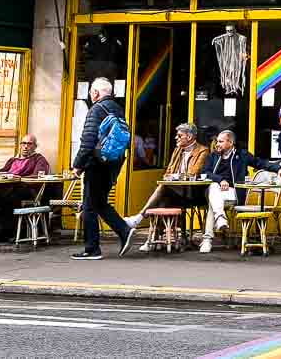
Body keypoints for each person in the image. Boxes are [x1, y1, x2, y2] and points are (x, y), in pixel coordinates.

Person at [71, 78, 134, 260]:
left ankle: (92, 249)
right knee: (98, 203)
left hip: (96, 164)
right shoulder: (117, 109)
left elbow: (88, 141)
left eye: (92, 92)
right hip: (112, 163)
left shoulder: (96, 110)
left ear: (96, 93)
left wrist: (78, 165)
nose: (91, 95)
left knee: (90, 206)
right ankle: (123, 231)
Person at [199, 129, 281, 254]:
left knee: (213, 204)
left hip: (233, 193)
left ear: (230, 142)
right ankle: (220, 219)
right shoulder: (213, 155)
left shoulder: (242, 155)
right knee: (213, 187)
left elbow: (259, 163)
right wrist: (220, 179)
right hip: (216, 191)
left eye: (220, 141)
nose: (217, 144)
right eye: (217, 141)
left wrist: (279, 168)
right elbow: (205, 172)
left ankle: (208, 239)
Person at [124, 123, 209, 241]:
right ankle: (156, 237)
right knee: (163, 200)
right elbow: (167, 172)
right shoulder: (177, 150)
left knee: (163, 189)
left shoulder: (202, 151)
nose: (176, 138)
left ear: (189, 137)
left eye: (179, 136)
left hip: (193, 192)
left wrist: (174, 177)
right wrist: (172, 177)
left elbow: (193, 173)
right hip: (177, 191)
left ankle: (142, 221)